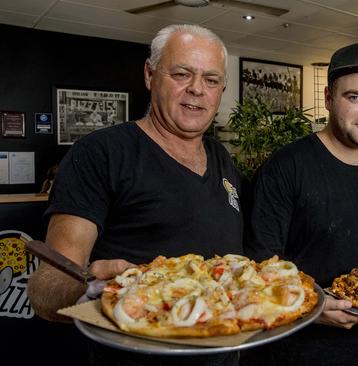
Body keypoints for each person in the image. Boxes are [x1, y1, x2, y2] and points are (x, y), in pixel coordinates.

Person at [27, 24, 244, 366]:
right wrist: (84, 286)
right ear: (149, 74)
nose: (197, 90)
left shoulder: (222, 158)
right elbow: (46, 287)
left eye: (211, 80)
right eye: (182, 74)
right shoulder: (101, 153)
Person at [241, 43, 358, 366]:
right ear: (329, 98)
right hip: (306, 353)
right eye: (354, 97)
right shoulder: (286, 168)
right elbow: (260, 264)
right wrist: (312, 308)